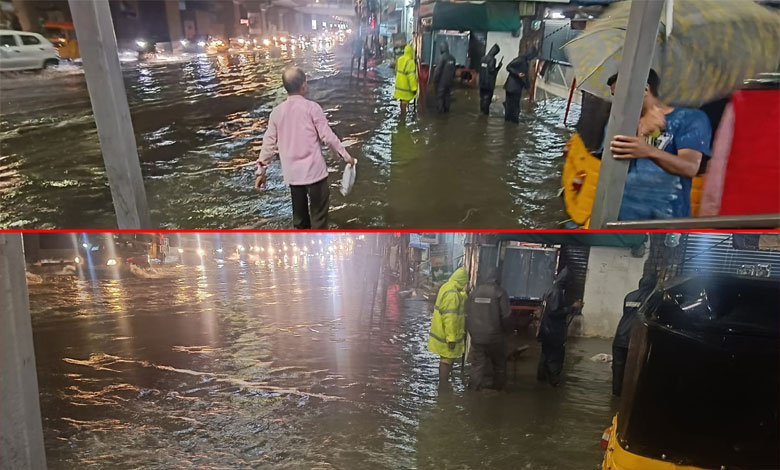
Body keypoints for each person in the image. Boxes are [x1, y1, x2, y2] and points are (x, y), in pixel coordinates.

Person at [255, 67, 355, 229]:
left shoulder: (276, 113)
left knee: (300, 219)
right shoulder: (312, 108)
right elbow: (327, 136)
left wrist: (261, 171)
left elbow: (269, 143)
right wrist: (345, 156)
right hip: (315, 174)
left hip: (293, 176)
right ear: (303, 86)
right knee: (319, 217)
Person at [607, 69, 713, 220]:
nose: (617, 102)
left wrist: (649, 151)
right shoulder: (621, 123)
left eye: (620, 95)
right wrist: (641, 132)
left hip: (667, 216)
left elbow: (690, 167)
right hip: (621, 214)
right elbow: (611, 165)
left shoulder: (690, 118)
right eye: (614, 96)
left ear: (645, 89)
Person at [466, 268, 511, 391]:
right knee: (499, 365)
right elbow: (506, 316)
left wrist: (472, 333)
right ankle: (497, 392)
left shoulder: (474, 292)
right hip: (495, 338)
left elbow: (467, 313)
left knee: (477, 365)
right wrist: (508, 332)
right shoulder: (499, 292)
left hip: (477, 338)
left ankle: (472, 392)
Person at [537, 267, 582, 387]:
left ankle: (541, 382)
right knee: (555, 358)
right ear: (566, 281)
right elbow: (554, 312)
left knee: (545, 355)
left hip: (546, 330)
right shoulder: (557, 292)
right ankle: (554, 384)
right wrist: (572, 307)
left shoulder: (550, 290)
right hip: (554, 332)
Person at [612, 273, 656, 396]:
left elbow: (626, 313)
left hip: (620, 336)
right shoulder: (652, 298)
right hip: (636, 339)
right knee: (634, 371)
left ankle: (616, 396)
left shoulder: (629, 295)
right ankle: (629, 400)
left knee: (618, 369)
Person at [427, 267, 469, 390]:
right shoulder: (452, 294)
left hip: (442, 332)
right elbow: (450, 318)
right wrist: (451, 339)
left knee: (446, 359)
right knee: (447, 360)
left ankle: (444, 384)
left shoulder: (448, 287)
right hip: (448, 335)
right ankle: (444, 386)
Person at [503, 48, 536, 123]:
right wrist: (517, 74)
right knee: (513, 106)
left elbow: (524, 77)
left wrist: (527, 87)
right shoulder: (520, 60)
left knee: (510, 105)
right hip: (513, 88)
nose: (532, 59)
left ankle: (508, 123)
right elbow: (508, 67)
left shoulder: (524, 62)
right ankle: (513, 123)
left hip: (513, 88)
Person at [394, 44, 418, 118]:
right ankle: (403, 118)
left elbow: (395, 71)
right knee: (405, 101)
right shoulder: (410, 62)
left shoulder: (400, 59)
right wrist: (414, 88)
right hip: (405, 87)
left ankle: (402, 115)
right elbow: (411, 77)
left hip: (399, 85)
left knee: (402, 102)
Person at [432, 41, 456, 113]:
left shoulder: (442, 58)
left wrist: (434, 80)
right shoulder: (453, 58)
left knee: (440, 97)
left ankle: (440, 115)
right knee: (447, 96)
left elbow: (438, 70)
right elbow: (454, 71)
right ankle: (446, 111)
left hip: (442, 82)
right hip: (450, 82)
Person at [478, 44, 502, 115]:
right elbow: (492, 71)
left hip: (481, 82)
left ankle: (481, 112)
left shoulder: (483, 58)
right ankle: (485, 115)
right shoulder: (492, 59)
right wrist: (498, 67)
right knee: (487, 99)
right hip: (489, 83)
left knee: (482, 98)